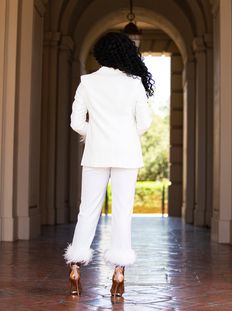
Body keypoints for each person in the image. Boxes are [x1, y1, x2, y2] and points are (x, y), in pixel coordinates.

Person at [63, 31, 155, 297]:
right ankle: (118, 272)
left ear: (100, 54)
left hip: (95, 154)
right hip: (127, 154)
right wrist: (124, 134)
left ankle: (75, 266)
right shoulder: (134, 83)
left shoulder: (87, 82)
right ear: (126, 53)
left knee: (87, 210)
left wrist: (97, 134)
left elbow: (76, 123)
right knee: (122, 213)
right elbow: (145, 122)